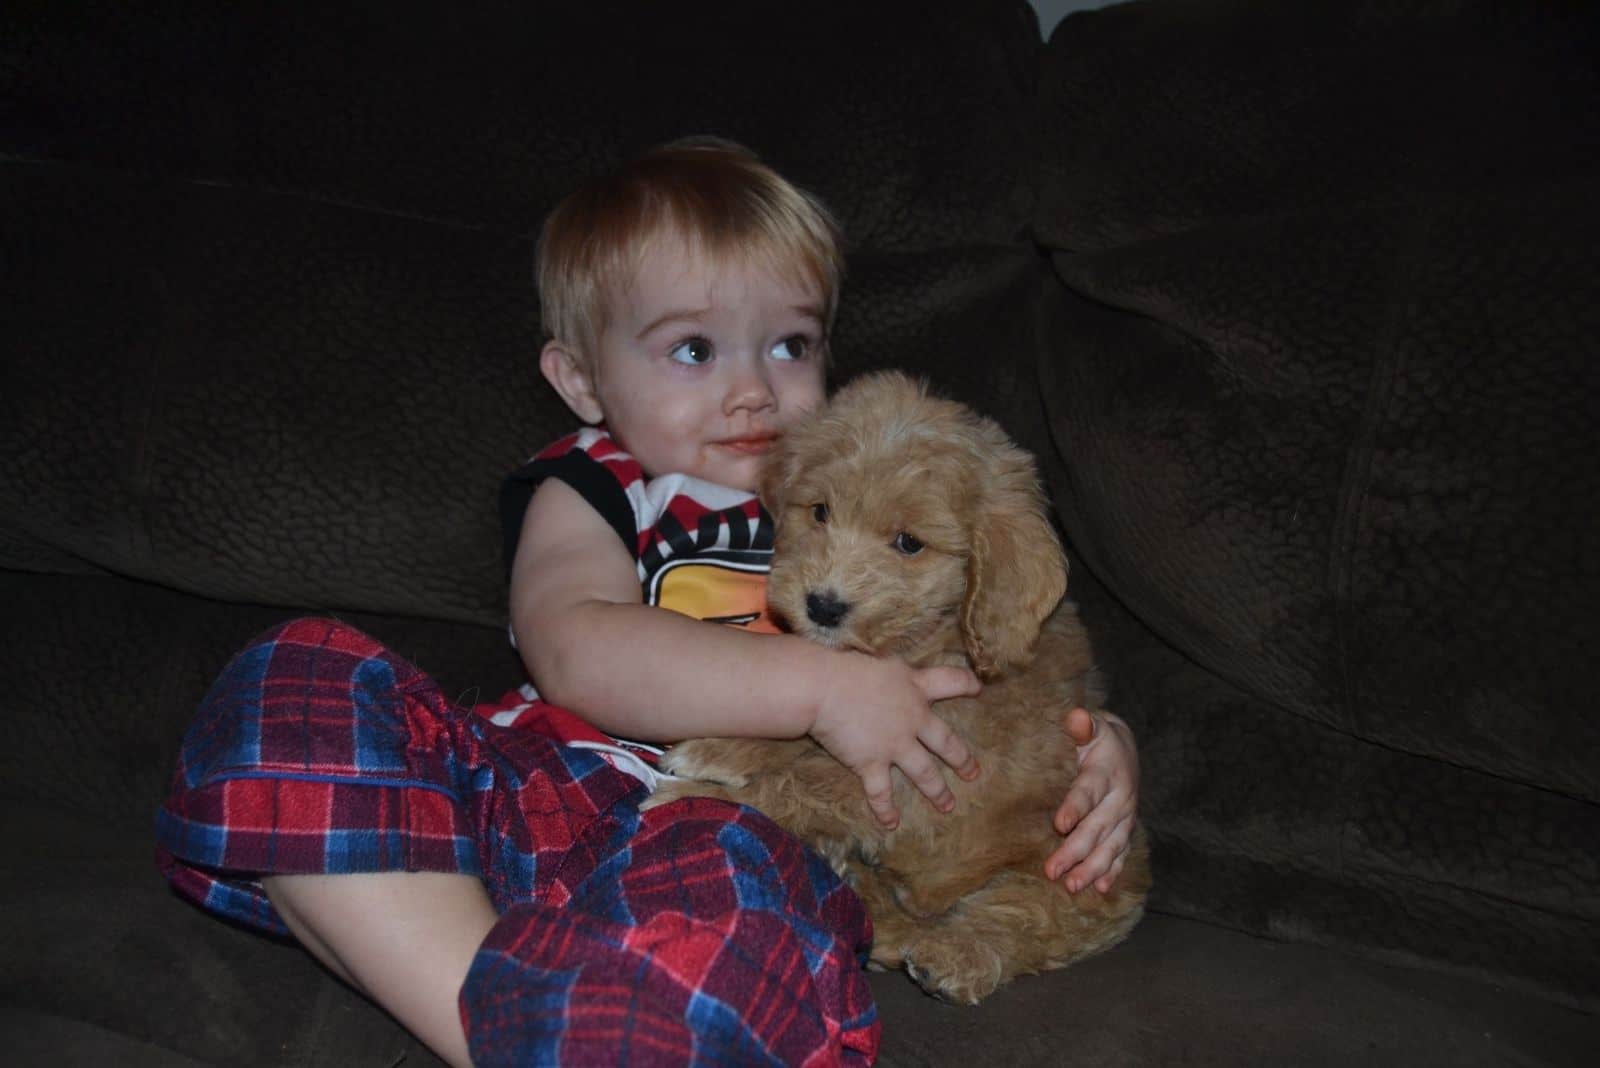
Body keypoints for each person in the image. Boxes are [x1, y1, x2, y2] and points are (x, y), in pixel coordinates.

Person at [156, 137, 1139, 1067]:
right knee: (294, 682)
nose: (754, 391)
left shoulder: (871, 490)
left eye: (790, 345)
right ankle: (505, 1017)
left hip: (730, 844)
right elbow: (573, 647)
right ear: (579, 379)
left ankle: (553, 1018)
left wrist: (1100, 754)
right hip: (525, 800)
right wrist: (816, 689)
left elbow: (1004, 664)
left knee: (747, 918)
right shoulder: (595, 484)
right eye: (694, 352)